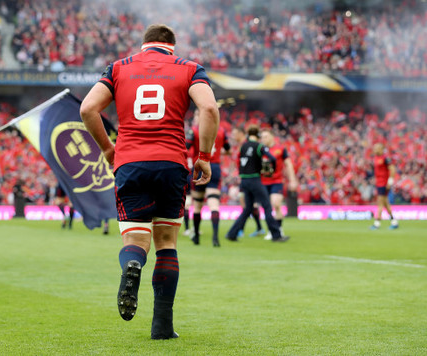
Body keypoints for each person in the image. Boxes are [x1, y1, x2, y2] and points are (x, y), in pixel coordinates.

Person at [80, 24, 219, 339]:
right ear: (172, 45)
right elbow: (209, 108)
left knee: (135, 241)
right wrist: (204, 156)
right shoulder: (189, 68)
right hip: (171, 162)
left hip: (130, 162)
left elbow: (87, 108)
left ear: (144, 45)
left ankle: (133, 266)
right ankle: (162, 328)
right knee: (166, 243)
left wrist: (107, 149)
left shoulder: (119, 68)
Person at [225, 125, 288, 242]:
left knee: (248, 208)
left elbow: (238, 161)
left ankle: (232, 233)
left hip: (244, 180)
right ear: (258, 136)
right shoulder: (259, 146)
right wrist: (272, 169)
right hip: (254, 179)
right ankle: (276, 235)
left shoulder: (243, 146)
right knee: (267, 207)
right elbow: (273, 159)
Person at [186, 110, 230, 246]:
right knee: (214, 204)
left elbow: (186, 147)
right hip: (215, 167)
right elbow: (227, 149)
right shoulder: (221, 131)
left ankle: (196, 237)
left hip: (199, 166)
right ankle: (215, 238)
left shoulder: (194, 131)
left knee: (198, 205)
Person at [260, 129, 298, 240]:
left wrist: (292, 180)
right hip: (263, 182)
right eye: (262, 137)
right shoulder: (260, 150)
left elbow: (288, 164)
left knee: (276, 204)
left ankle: (278, 229)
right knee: (267, 208)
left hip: (276, 181)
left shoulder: (280, 149)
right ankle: (271, 230)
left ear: (272, 136)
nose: (263, 139)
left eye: (266, 136)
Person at [370, 142, 398, 229]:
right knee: (385, 203)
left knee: (380, 202)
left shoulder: (386, 158)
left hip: (384, 183)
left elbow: (392, 169)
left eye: (376, 148)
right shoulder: (375, 158)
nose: (374, 150)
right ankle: (394, 222)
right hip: (379, 183)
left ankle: (377, 223)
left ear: (381, 149)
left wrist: (390, 182)